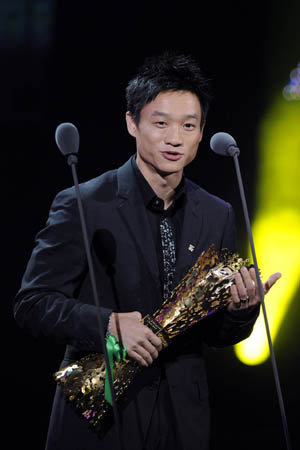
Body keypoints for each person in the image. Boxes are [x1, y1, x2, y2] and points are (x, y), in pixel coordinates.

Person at [14, 52, 280, 450]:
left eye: (189, 125)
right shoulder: (85, 203)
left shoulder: (216, 213)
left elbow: (216, 334)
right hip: (99, 415)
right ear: (132, 123)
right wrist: (107, 324)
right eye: (161, 123)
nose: (175, 137)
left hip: (183, 419)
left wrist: (242, 312)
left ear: (201, 131)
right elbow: (32, 304)